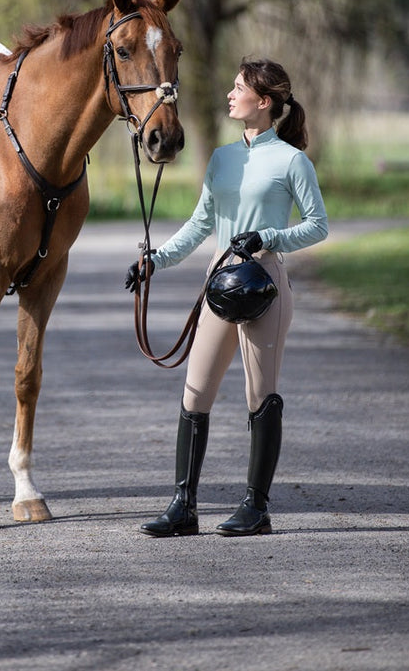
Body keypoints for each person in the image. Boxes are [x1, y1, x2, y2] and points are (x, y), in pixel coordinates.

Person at [125, 58, 328, 537]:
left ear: (265, 102)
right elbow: (201, 224)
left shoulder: (291, 160)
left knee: (261, 397)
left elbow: (317, 225)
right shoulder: (221, 158)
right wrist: (155, 259)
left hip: (265, 286)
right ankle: (183, 507)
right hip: (219, 283)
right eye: (232, 86)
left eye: (239, 88)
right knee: (195, 392)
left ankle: (256, 507)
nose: (230, 94)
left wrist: (268, 238)